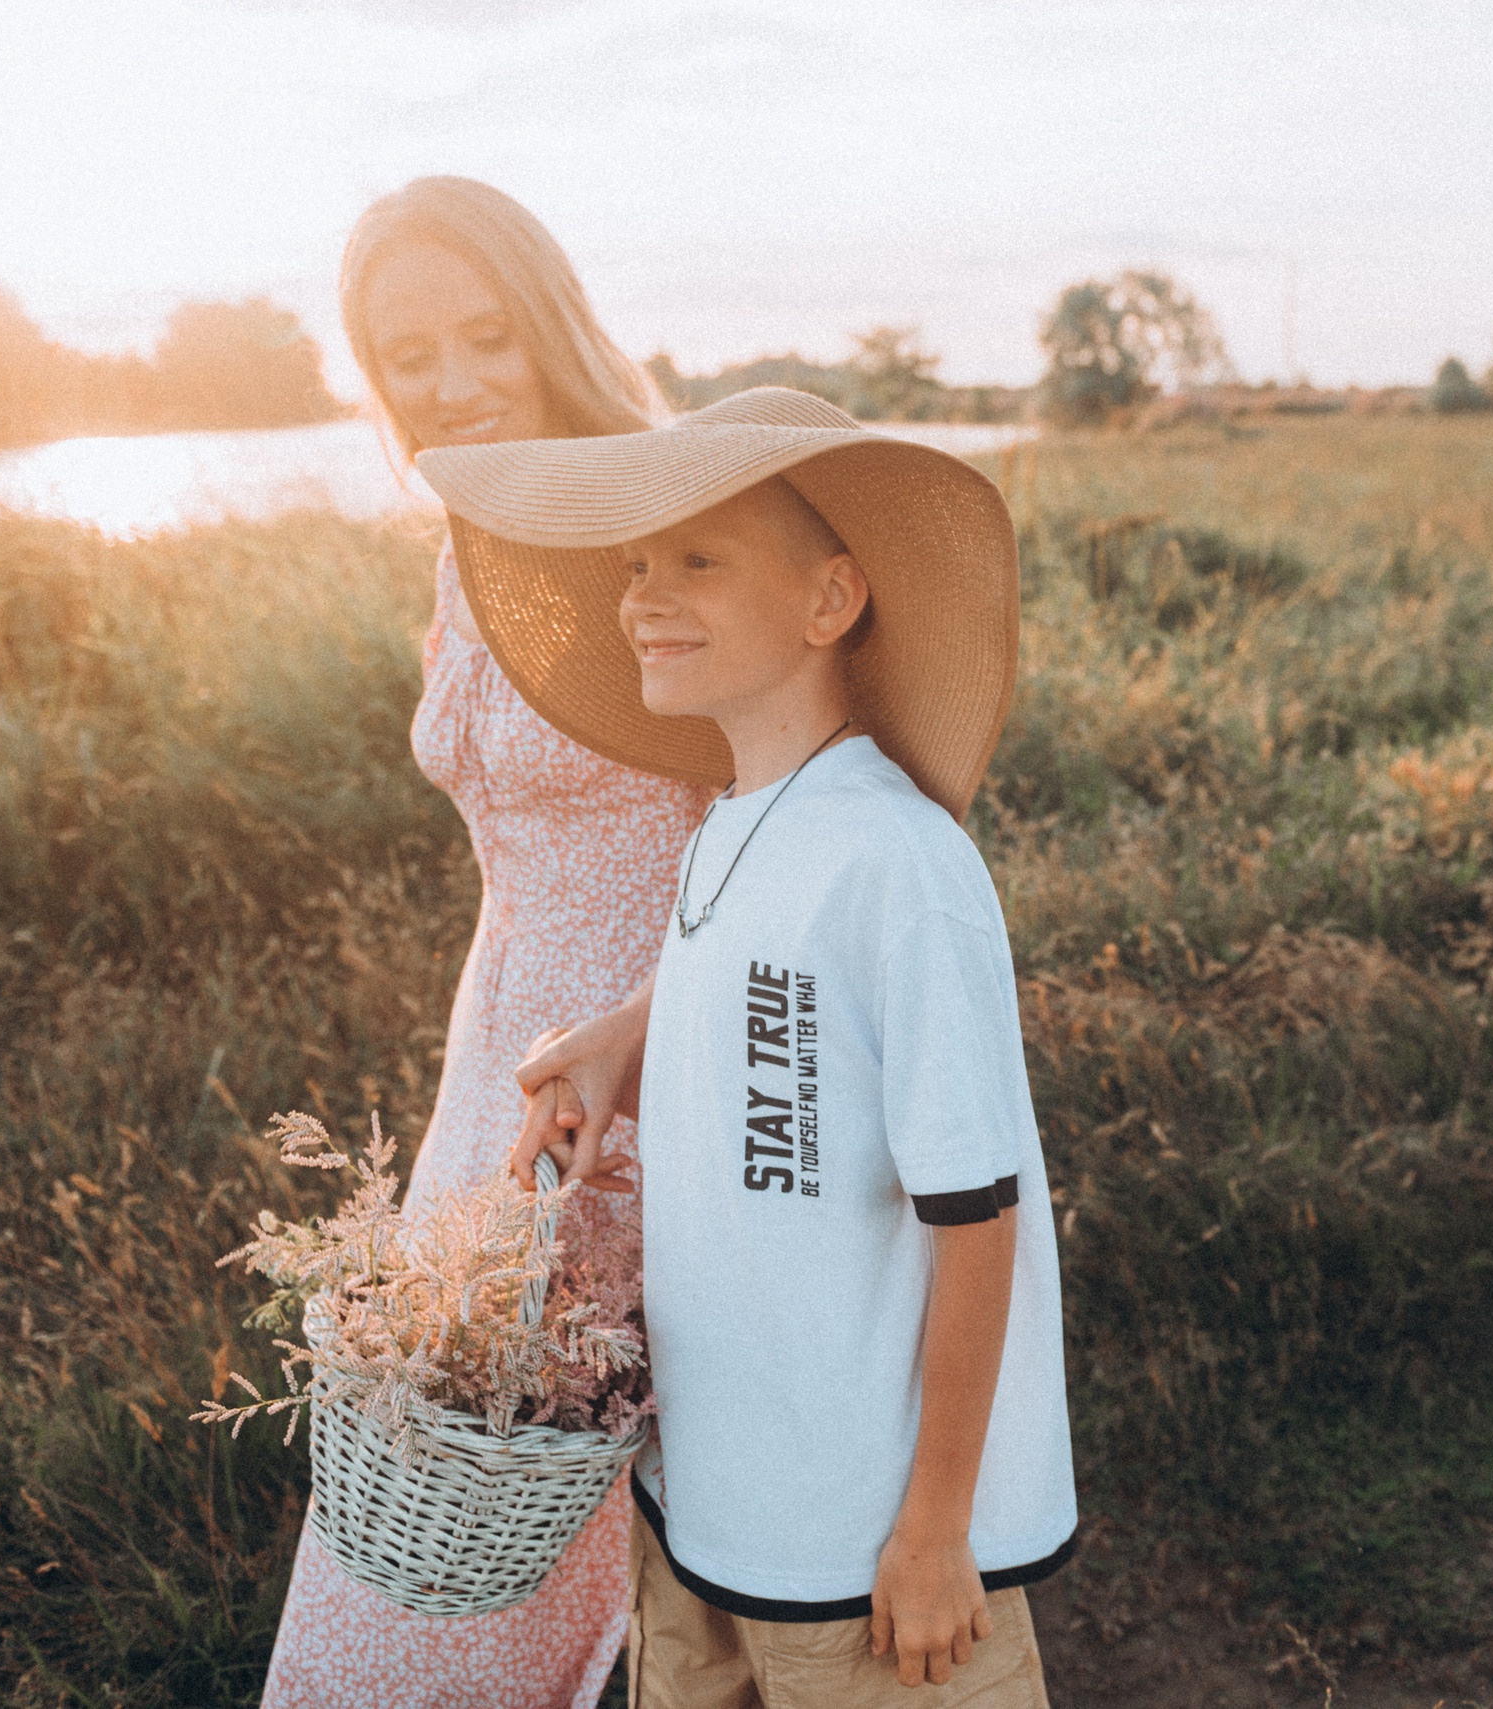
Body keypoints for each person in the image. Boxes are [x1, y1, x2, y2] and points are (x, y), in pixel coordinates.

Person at [415, 387, 1076, 1706]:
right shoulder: (734, 820)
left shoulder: (897, 860)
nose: (643, 596)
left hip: (869, 1542)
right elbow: (765, 1006)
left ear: (831, 600)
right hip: (707, 1497)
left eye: (700, 560)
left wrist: (938, 1531)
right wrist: (624, 1043)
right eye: (638, 564)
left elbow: (979, 1210)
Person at [260, 177, 708, 1709]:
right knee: (437, 1474)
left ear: (554, 326)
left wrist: (653, 1019)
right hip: (497, 1068)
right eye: (409, 358)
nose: (450, 385)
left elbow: (800, 833)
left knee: (575, 1489)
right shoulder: (471, 536)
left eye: (486, 336)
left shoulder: (668, 518)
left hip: (646, 1071)